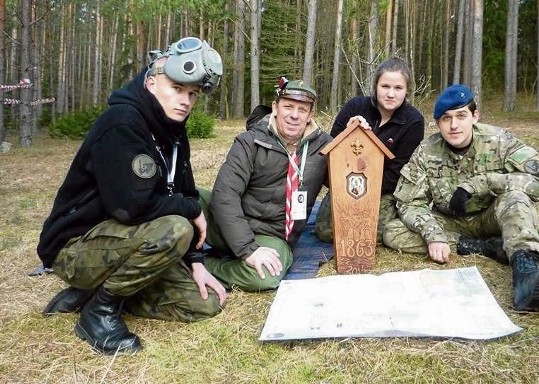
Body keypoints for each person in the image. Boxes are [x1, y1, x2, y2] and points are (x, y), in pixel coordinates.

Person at [37, 37, 228, 354]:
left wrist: (196, 263)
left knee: (203, 306)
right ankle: (99, 312)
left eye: (192, 94)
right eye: (177, 89)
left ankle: (95, 291)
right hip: (76, 246)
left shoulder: (174, 132)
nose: (185, 101)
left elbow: (185, 189)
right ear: (152, 83)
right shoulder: (122, 123)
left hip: (125, 241)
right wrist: (191, 210)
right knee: (176, 227)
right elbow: (131, 207)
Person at [383, 84, 539, 312]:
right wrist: (434, 234)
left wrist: (483, 183)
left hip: (493, 216)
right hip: (452, 222)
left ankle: (526, 273)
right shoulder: (427, 150)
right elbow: (410, 202)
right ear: (438, 123)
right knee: (392, 231)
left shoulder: (499, 141)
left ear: (474, 116)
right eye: (446, 119)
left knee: (515, 198)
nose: (453, 125)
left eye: (461, 116)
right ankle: (484, 248)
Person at [200, 77, 332, 291]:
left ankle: (204, 266)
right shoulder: (250, 141)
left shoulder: (324, 147)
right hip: (231, 223)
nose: (294, 115)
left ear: (310, 115)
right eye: (288, 106)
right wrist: (247, 249)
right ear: (275, 108)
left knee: (266, 277)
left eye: (302, 109)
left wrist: (360, 132)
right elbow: (226, 194)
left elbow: (350, 170)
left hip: (271, 235)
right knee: (185, 197)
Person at [314, 57, 425, 244]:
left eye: (398, 88)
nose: (391, 94)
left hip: (384, 189)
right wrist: (349, 134)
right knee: (326, 232)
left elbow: (398, 172)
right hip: (346, 183)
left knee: (370, 234)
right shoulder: (355, 106)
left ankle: (396, 213)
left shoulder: (413, 121)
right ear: (375, 86)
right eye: (385, 86)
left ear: (407, 91)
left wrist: (363, 196)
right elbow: (331, 152)